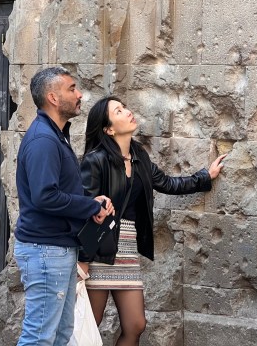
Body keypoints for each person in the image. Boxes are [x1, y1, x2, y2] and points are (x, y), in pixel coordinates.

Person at [78, 96, 227, 346]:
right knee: (89, 324)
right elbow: (84, 208)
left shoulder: (139, 156)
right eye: (119, 110)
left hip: (126, 246)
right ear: (109, 128)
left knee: (136, 324)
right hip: (99, 250)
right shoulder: (96, 160)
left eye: (125, 107)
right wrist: (83, 260)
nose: (127, 112)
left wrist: (205, 176)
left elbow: (167, 183)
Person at [14, 67, 115, 346]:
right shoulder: (43, 140)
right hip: (46, 252)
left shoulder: (55, 135)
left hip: (57, 250)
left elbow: (60, 188)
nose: (80, 94)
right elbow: (45, 196)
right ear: (53, 98)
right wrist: (90, 208)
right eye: (72, 88)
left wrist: (90, 201)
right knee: (39, 337)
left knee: (59, 335)